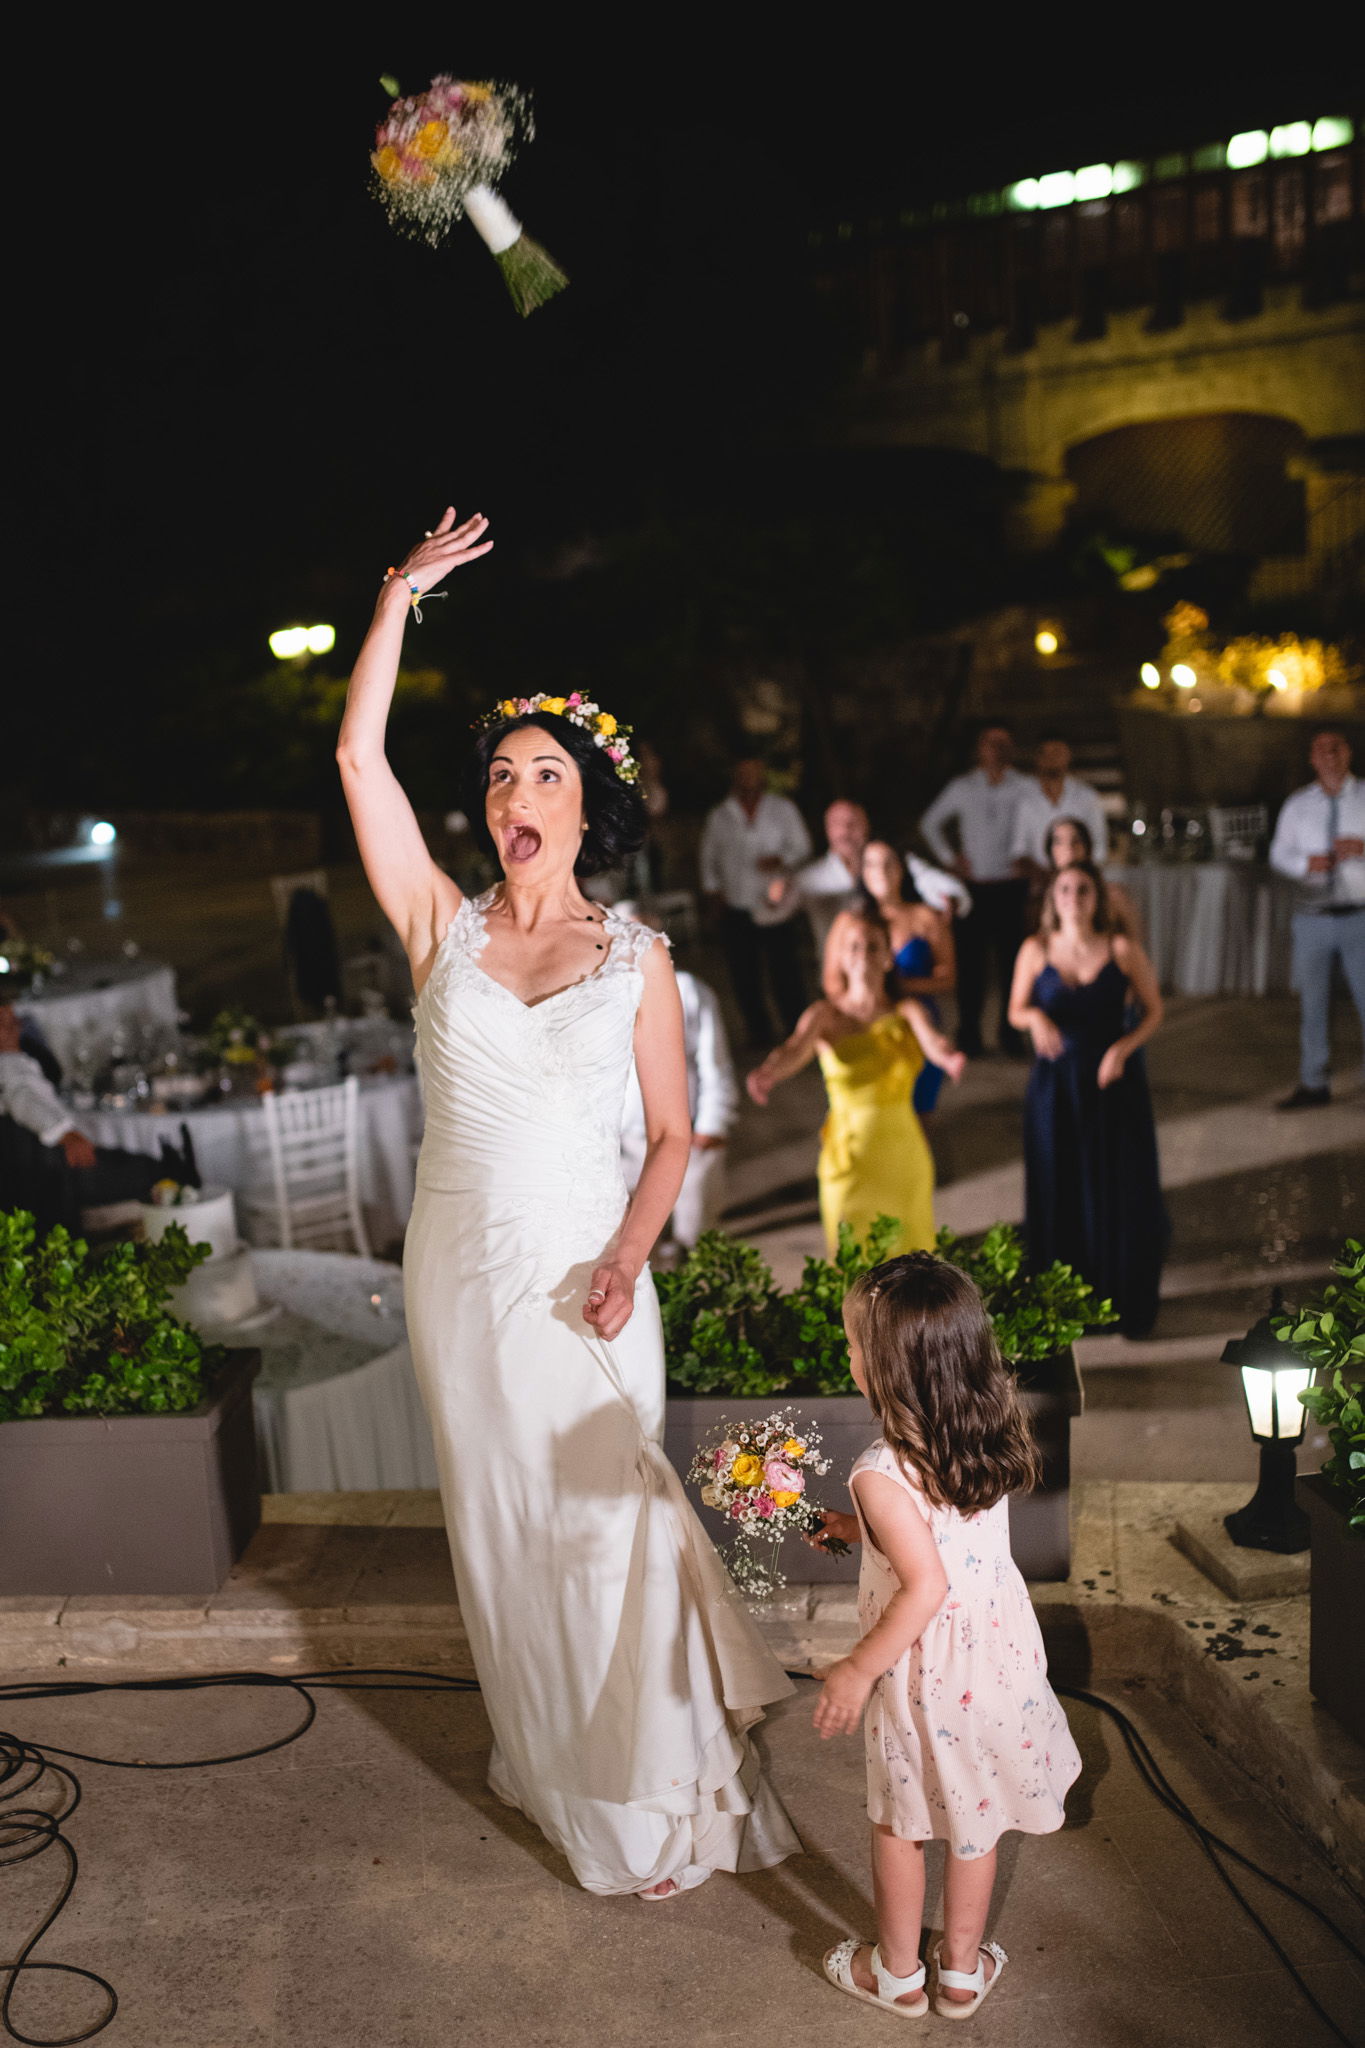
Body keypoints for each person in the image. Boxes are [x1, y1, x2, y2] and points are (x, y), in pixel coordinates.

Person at [336, 505, 799, 1901]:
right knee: (504, 1536)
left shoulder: (638, 958)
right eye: (499, 777)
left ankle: (653, 1799)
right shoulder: (439, 929)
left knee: (608, 1526)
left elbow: (672, 1131)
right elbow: (358, 757)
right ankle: (555, 1769)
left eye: (546, 774)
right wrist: (396, 596)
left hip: (588, 1275)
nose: (516, 794)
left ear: (587, 805)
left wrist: (627, 1253)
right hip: (461, 1279)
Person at [812, 1252, 1081, 2020]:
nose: (849, 1359)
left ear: (886, 1371)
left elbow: (924, 1585)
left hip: (920, 1675)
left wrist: (857, 1669)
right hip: (994, 1666)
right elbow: (935, 1546)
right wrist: (849, 1530)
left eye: (855, 1347)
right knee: (974, 1816)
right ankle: (960, 1973)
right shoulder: (978, 1433)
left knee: (901, 1822)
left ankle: (894, 1973)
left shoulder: (878, 1471)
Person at [1008, 862, 1167, 1338]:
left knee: (1117, 1188)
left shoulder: (1122, 949)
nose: (1073, 897)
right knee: (1059, 1186)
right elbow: (1014, 1009)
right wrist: (1035, 1018)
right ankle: (1064, 1304)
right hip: (1055, 1089)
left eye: (1082, 889)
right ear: (1052, 899)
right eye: (1064, 890)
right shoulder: (1035, 950)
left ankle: (1118, 1297)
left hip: (1112, 1086)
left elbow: (1154, 1010)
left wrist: (1121, 1049)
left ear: (1097, 897)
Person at [746, 908, 964, 1255]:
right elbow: (793, 1049)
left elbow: (934, 1043)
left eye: (873, 947)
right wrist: (768, 1072)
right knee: (851, 1255)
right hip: (848, 1156)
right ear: (841, 959)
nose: (863, 954)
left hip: (903, 1153)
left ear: (888, 958)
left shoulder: (907, 1010)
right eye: (854, 947)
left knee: (910, 1256)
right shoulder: (824, 1015)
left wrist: (949, 1058)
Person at [0, 1001, 197, 1236]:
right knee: (146, 1170)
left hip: (49, 1166)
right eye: (3, 1023)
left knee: (136, 1163)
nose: (14, 1027)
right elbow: (24, 1099)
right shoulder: (7, 1068)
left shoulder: (16, 1058)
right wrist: (63, 1133)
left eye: (13, 1020)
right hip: (49, 1168)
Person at [617, 902, 738, 1253]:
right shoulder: (607, 995)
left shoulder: (687, 990)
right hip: (627, 1143)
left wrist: (710, 1128)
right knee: (631, 1243)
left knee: (695, 1237)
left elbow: (715, 1061)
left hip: (687, 1139)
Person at [1268, 726, 1365, 1110]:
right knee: (1314, 1004)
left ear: (1348, 754)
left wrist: (1362, 847)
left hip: (1359, 915)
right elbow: (1279, 853)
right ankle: (1314, 1081)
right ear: (1312, 758)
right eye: (1321, 749)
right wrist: (1305, 863)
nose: (1329, 755)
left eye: (1336, 748)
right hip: (1313, 916)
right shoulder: (1298, 805)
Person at [919, 725, 1028, 1058]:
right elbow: (929, 823)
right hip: (974, 889)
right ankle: (969, 1034)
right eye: (989, 743)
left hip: (1012, 886)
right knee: (970, 965)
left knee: (1013, 965)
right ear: (979, 749)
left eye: (1003, 743)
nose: (996, 749)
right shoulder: (962, 787)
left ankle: (1011, 1035)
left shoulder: (1025, 787)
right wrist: (951, 859)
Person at [824, 842, 956, 1114]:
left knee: (920, 1112)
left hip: (918, 1024)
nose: (880, 871)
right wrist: (855, 1011)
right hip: (866, 1023)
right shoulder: (848, 922)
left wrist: (895, 989)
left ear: (902, 869)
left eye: (888, 862)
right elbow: (832, 981)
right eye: (871, 863)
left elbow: (947, 976)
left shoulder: (925, 917)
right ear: (862, 871)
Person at [699, 758, 812, 1046]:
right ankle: (759, 1032)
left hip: (775, 905)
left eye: (754, 773)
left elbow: (802, 846)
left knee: (785, 970)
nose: (748, 779)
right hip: (736, 905)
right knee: (744, 974)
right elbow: (708, 859)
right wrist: (714, 894)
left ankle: (796, 1031)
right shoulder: (720, 815)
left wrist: (780, 860)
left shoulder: (782, 809)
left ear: (762, 776)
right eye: (743, 774)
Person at [795, 800, 968, 955]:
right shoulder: (810, 877)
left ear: (866, 825)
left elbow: (928, 877)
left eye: (852, 823)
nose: (845, 830)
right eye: (837, 824)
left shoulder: (893, 858)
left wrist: (948, 896)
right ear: (827, 829)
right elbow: (783, 898)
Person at [1009, 734, 1109, 882]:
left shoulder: (1088, 798)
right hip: (1038, 885)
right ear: (1037, 759)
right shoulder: (1024, 801)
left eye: (1057, 752)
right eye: (1045, 753)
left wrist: (1074, 875)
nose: (1052, 759)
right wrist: (1045, 877)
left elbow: (1099, 848)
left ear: (1069, 756)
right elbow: (1018, 851)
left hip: (1079, 881)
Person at [1043, 816, 1142, 941]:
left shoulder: (1114, 895)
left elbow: (1134, 943)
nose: (1069, 847)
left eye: (1076, 840)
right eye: (1058, 841)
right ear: (1049, 850)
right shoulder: (1039, 898)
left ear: (1087, 846)